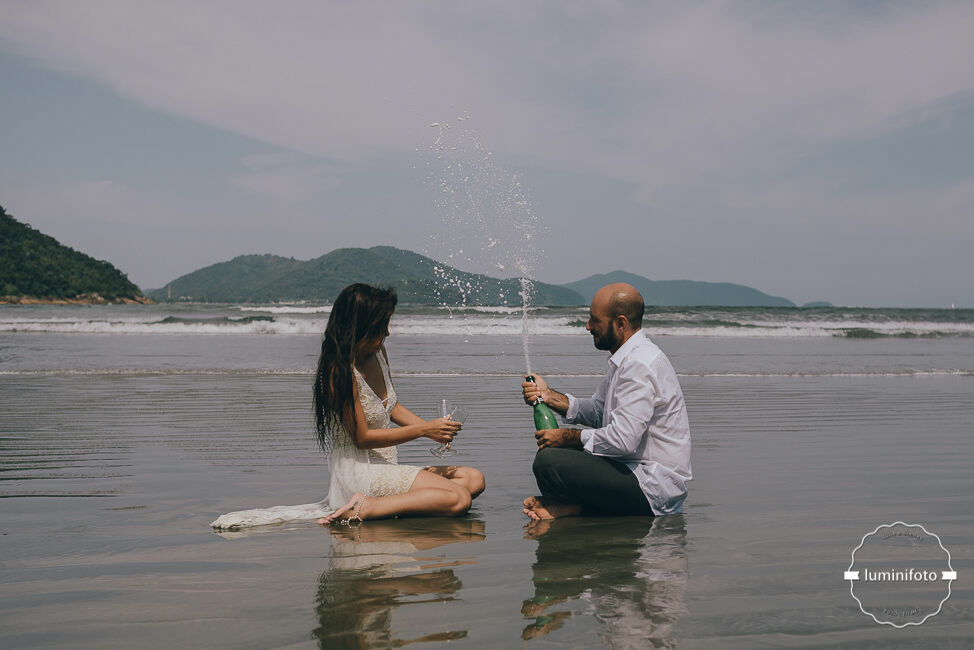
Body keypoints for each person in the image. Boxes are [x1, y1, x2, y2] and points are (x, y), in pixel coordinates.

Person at [314, 283, 485, 524]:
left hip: (385, 464)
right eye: (381, 326)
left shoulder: (378, 353)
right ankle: (367, 506)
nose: (387, 333)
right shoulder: (339, 371)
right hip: (359, 471)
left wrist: (435, 432)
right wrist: (424, 430)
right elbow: (362, 439)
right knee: (459, 498)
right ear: (360, 327)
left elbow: (392, 407)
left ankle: (390, 507)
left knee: (473, 480)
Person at [520, 283, 691, 519]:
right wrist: (549, 396)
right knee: (555, 454)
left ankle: (579, 507)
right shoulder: (626, 358)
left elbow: (623, 441)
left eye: (595, 320)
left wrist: (568, 437)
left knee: (549, 461)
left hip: (653, 486)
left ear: (620, 323)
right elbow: (600, 411)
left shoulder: (639, 364)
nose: (588, 326)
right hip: (629, 468)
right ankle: (575, 506)